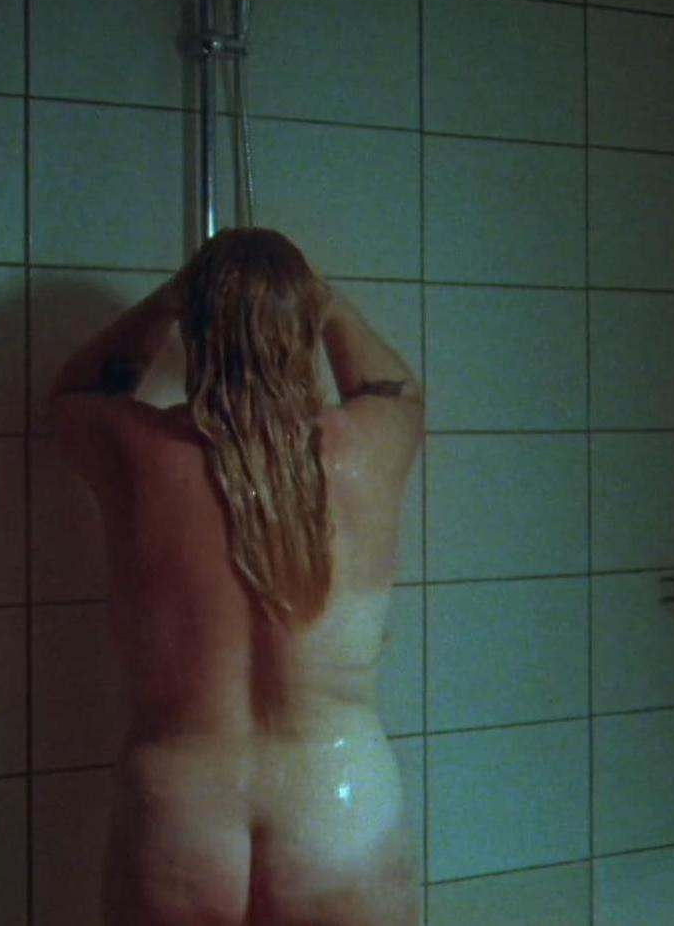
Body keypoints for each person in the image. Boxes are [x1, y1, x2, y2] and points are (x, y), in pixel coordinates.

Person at [48, 228, 423, 926]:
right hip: (339, 803)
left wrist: (171, 299)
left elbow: (76, 392)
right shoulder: (369, 447)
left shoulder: (141, 451)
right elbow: (395, 389)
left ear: (195, 330)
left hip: (179, 810)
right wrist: (323, 302)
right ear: (305, 325)